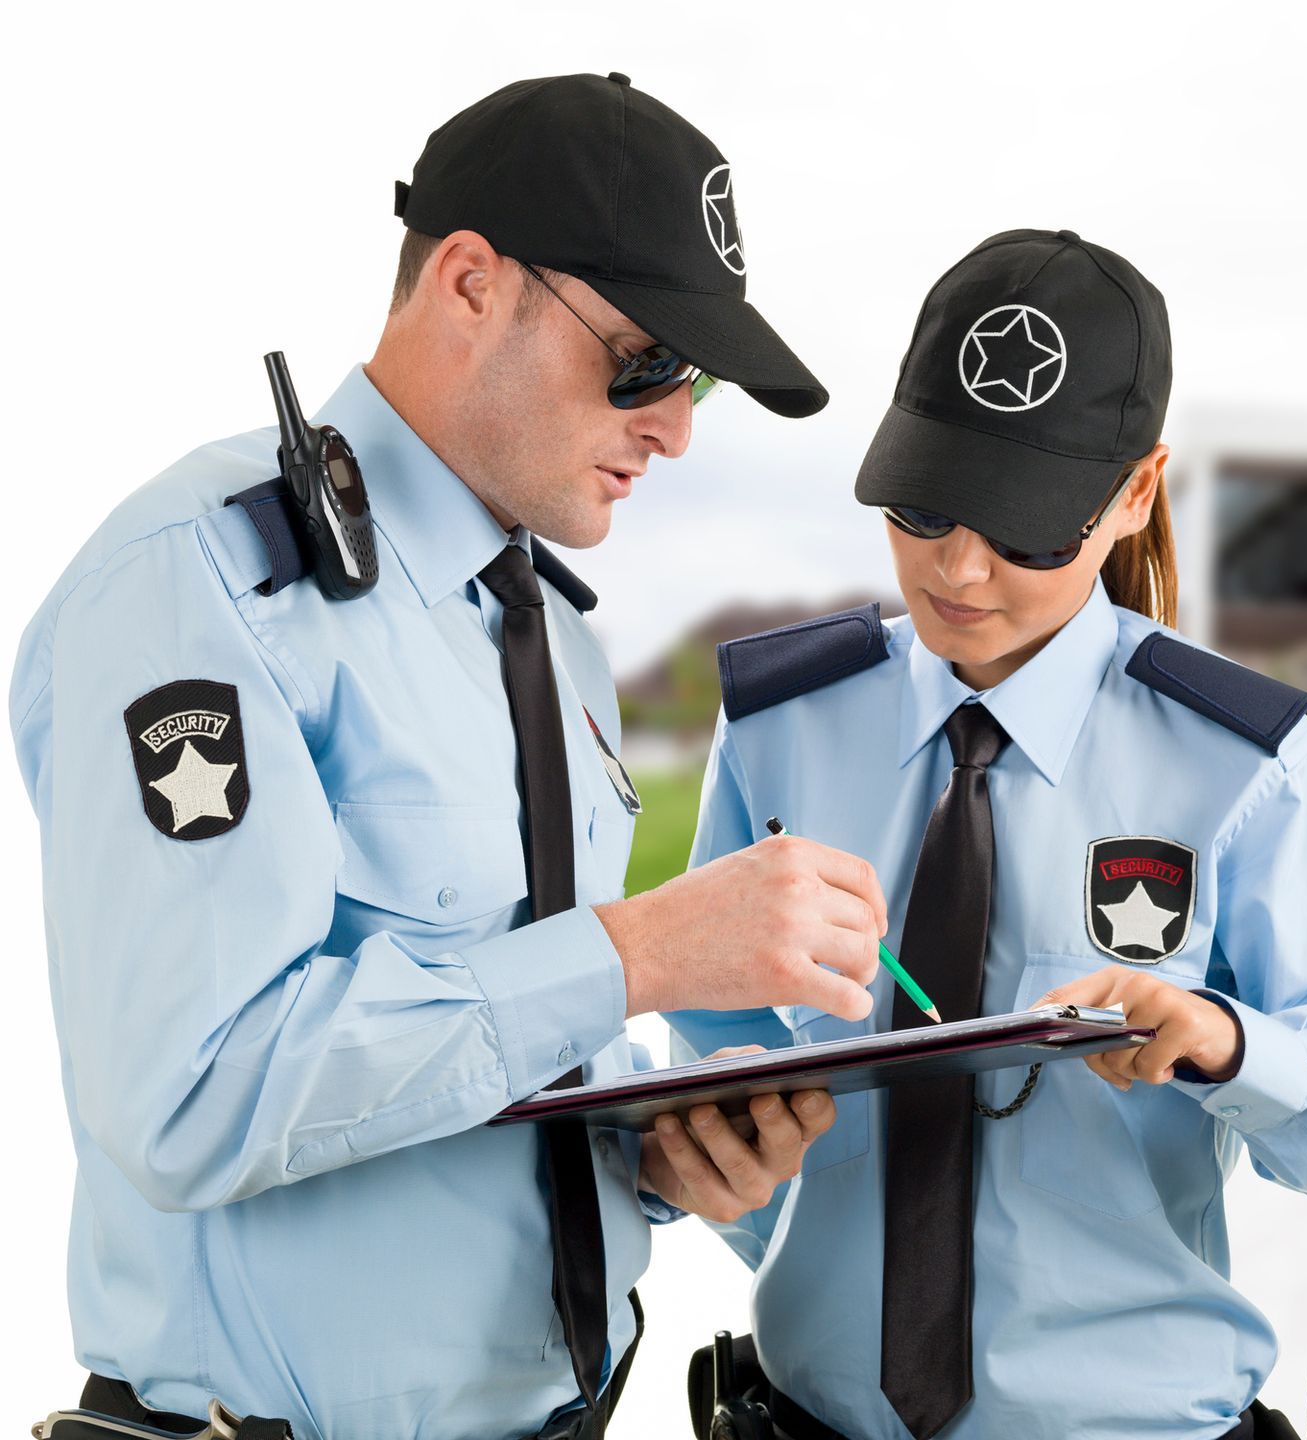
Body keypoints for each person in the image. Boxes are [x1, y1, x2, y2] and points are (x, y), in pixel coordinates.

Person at [9, 74, 895, 1440]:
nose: (675, 426)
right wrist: (641, 953)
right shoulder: (204, 588)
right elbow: (192, 1095)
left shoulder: (550, 639)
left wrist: (650, 1156)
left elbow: (489, 1056)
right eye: (646, 359)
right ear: (471, 282)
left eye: (696, 378)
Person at [667, 229, 1307, 1440]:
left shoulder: (1252, 765)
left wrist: (1230, 1047)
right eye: (925, 503)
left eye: (1029, 527)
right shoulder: (780, 731)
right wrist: (745, 1179)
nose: (960, 565)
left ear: (1135, 492)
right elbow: (710, 1054)